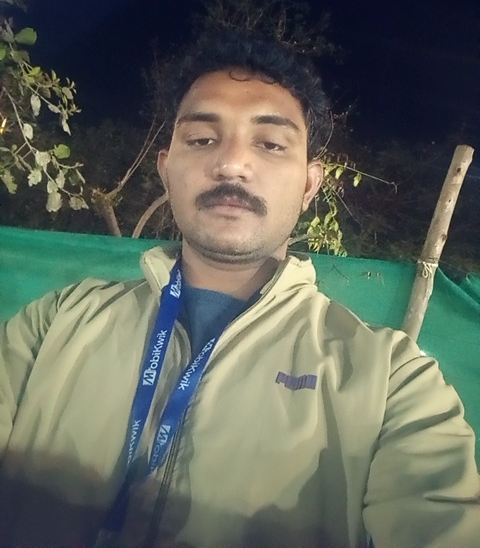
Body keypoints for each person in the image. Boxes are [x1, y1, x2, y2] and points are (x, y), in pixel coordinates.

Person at [0, 29, 479, 548]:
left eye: (270, 144)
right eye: (201, 139)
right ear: (166, 170)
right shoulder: (55, 322)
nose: (231, 163)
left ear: (310, 185)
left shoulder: (391, 380)